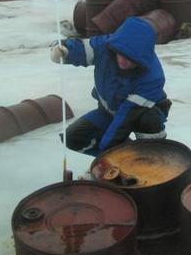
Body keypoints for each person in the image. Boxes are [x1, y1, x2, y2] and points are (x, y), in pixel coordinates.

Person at [50, 17, 171, 156]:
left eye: (131, 59)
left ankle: (152, 158)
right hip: (108, 111)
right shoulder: (106, 46)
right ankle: (123, 160)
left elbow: (125, 118)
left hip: (141, 114)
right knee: (72, 137)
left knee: (148, 121)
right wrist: (64, 52)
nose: (123, 61)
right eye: (121, 54)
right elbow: (82, 49)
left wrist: (105, 152)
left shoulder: (152, 77)